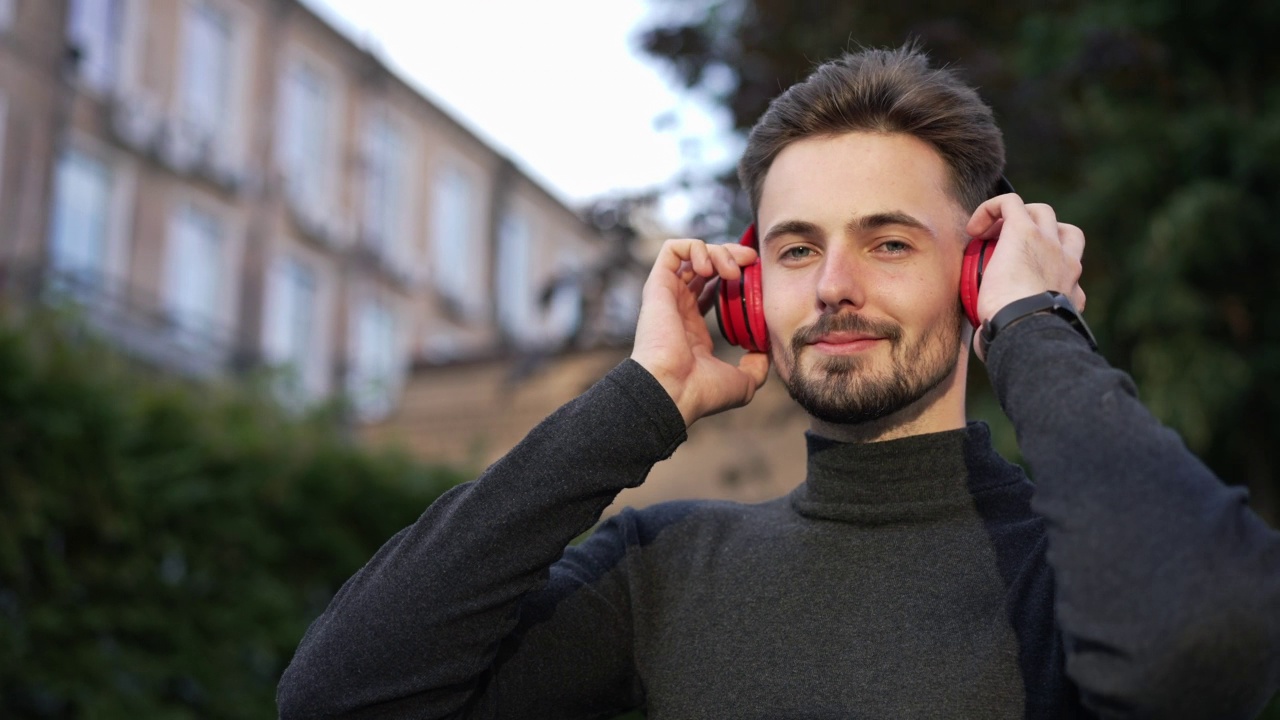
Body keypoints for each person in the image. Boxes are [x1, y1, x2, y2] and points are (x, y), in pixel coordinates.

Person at [277, 44, 1280, 719]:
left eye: (888, 242)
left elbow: (1204, 642)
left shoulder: (1076, 571)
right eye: (796, 251)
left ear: (972, 271)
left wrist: (1033, 325)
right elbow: (342, 695)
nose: (834, 288)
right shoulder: (660, 569)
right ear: (752, 294)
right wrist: (638, 397)